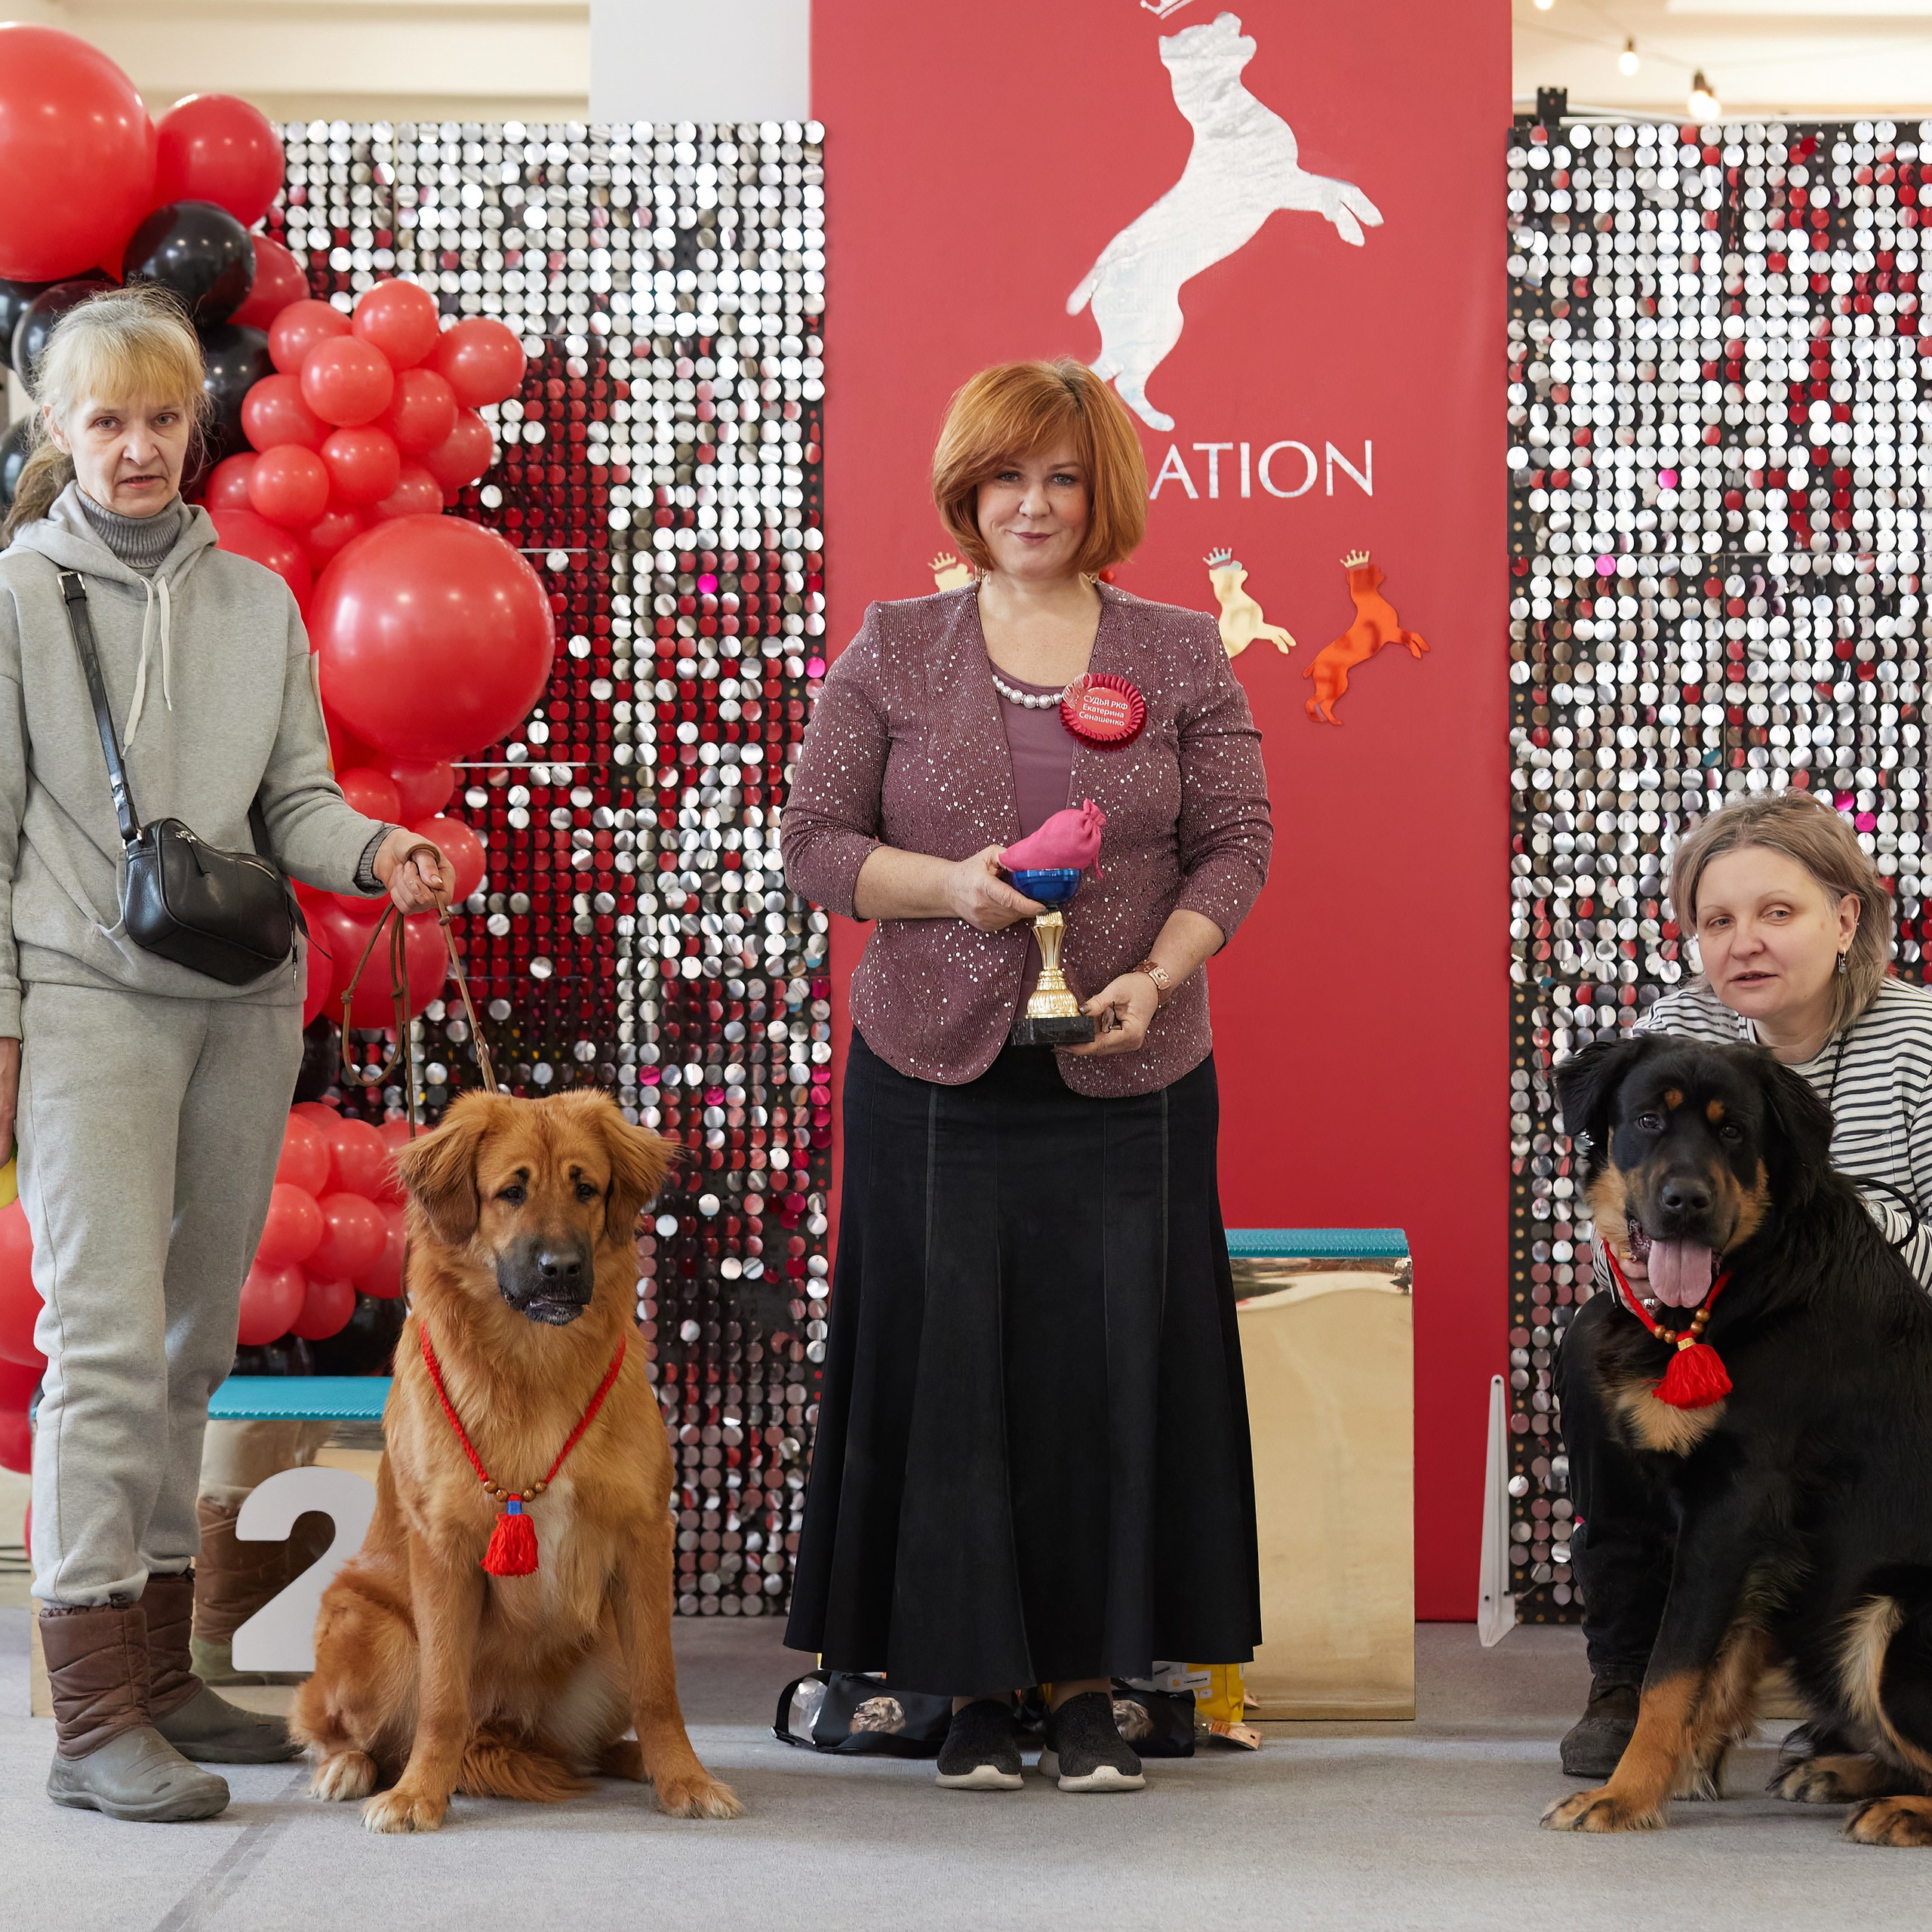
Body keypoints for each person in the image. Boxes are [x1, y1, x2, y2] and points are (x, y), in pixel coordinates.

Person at [781, 358, 1272, 1795]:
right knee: (944, 1376)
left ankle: (1090, 1684)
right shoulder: (893, 644)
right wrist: (953, 885)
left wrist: (1158, 975)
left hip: (1134, 1071)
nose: (1034, 504)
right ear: (968, 490)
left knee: (1107, 1377)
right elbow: (815, 842)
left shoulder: (1180, 649)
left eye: (1062, 477)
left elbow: (1236, 842)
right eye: (1007, 476)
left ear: (1102, 492)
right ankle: (970, 1687)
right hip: (931, 1073)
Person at [0, 286, 448, 1823]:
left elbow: (295, 804)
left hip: (245, 1009)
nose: (136, 448)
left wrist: (377, 850)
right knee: (106, 1346)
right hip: (88, 1003)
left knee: (194, 1344)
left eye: (161, 420)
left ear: (195, 428)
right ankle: (92, 1717)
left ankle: (164, 1669)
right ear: (60, 431)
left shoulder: (257, 602)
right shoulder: (18, 599)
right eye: (105, 421)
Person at [1555, 788, 1932, 1777]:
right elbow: (1623, 1209)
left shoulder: (1921, 1044)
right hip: (1724, 1327)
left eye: (1777, 911)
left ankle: (1825, 1704)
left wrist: (1803, 1253)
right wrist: (1657, 1269)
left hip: (1882, 1362)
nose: (1745, 942)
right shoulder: (1675, 1031)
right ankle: (1627, 1674)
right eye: (1717, 920)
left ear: (1845, 919)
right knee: (1592, 1348)